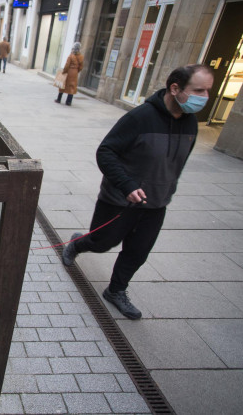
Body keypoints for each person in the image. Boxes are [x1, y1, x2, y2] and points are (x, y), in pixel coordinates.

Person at [61, 64, 214, 320]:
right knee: (102, 243)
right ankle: (78, 243)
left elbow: (176, 163)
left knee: (138, 252)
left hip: (156, 204)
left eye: (208, 91)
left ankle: (116, 291)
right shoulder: (140, 118)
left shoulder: (190, 124)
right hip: (120, 201)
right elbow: (106, 152)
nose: (205, 98)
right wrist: (128, 185)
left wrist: (165, 188)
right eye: (198, 90)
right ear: (175, 88)